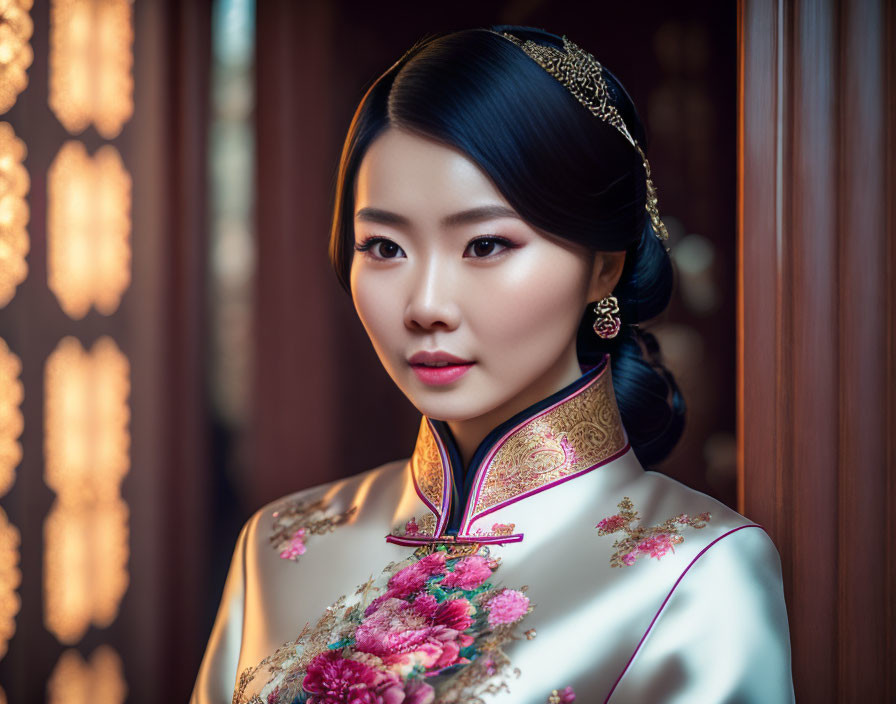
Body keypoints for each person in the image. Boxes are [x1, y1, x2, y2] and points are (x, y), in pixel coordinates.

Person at [191, 26, 794, 704]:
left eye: (483, 244)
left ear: (603, 265)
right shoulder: (279, 544)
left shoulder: (698, 573)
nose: (425, 305)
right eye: (385, 248)